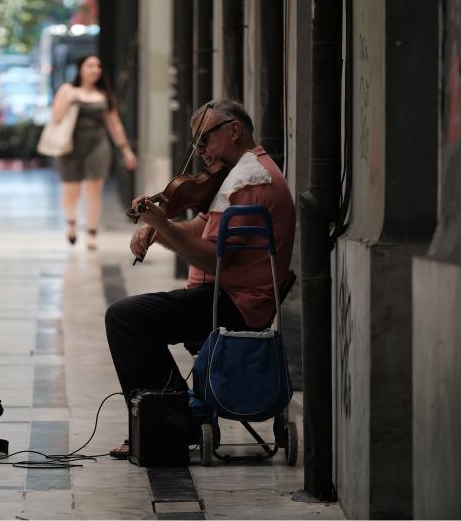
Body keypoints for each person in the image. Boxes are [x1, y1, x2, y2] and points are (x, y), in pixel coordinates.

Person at [104, 99, 296, 458]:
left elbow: (213, 257)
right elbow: (205, 230)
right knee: (133, 317)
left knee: (125, 318)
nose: (200, 151)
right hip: (221, 296)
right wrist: (162, 231)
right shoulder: (241, 174)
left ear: (233, 130)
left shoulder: (251, 182)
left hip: (235, 305)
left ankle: (170, 424)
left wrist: (161, 224)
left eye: (204, 140)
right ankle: (171, 419)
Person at [50, 55, 137, 250]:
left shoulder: (103, 94)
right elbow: (56, 116)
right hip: (69, 147)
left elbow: (114, 124)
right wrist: (70, 99)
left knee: (94, 191)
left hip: (98, 146)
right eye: (90, 65)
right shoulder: (67, 90)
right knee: (71, 191)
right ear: (80, 69)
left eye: (98, 66)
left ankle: (91, 233)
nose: (95, 69)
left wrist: (125, 150)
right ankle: (72, 223)